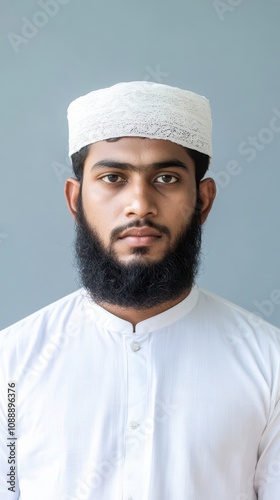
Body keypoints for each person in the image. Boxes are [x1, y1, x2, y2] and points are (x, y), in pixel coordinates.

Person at [0, 81, 280, 500]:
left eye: (166, 178)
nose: (139, 204)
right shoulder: (11, 364)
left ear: (203, 200)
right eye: (113, 177)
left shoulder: (270, 363)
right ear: (76, 201)